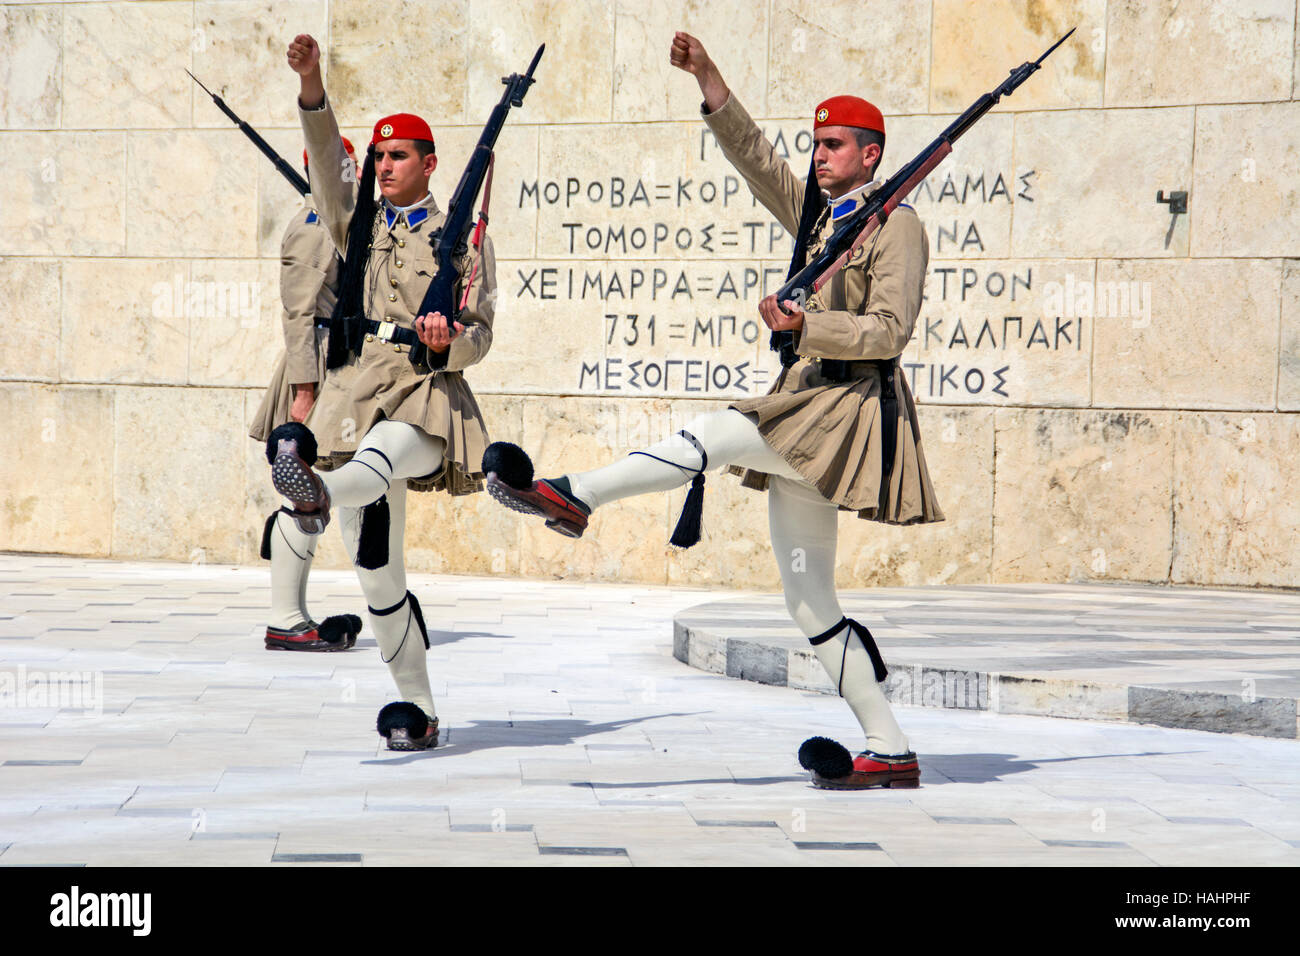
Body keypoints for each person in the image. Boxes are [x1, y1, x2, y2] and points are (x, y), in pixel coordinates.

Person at [484, 31, 942, 789]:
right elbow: (758, 159)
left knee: (715, 433)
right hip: (808, 407)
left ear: (871, 154)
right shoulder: (820, 220)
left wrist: (805, 326)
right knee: (808, 599)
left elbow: (892, 332)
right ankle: (889, 748)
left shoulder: (899, 227)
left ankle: (575, 496)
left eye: (835, 145)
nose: (820, 155)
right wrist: (710, 80)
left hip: (848, 411)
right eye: (817, 144)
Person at [268, 33, 498, 751]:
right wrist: (312, 84)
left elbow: (482, 331)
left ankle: (316, 493)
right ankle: (418, 709)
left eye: (400, 157)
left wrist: (446, 340)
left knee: (382, 455)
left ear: (429, 165)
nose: (386, 166)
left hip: (424, 394)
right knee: (376, 577)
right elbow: (330, 171)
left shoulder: (461, 234)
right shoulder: (354, 224)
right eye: (380, 156)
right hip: (352, 394)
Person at [249, 137, 365, 653]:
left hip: (340, 358)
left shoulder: (338, 217)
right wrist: (303, 392)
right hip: (318, 364)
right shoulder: (316, 225)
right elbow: (298, 314)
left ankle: (299, 614)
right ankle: (286, 619)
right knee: (306, 492)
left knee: (342, 485)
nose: (353, 171)